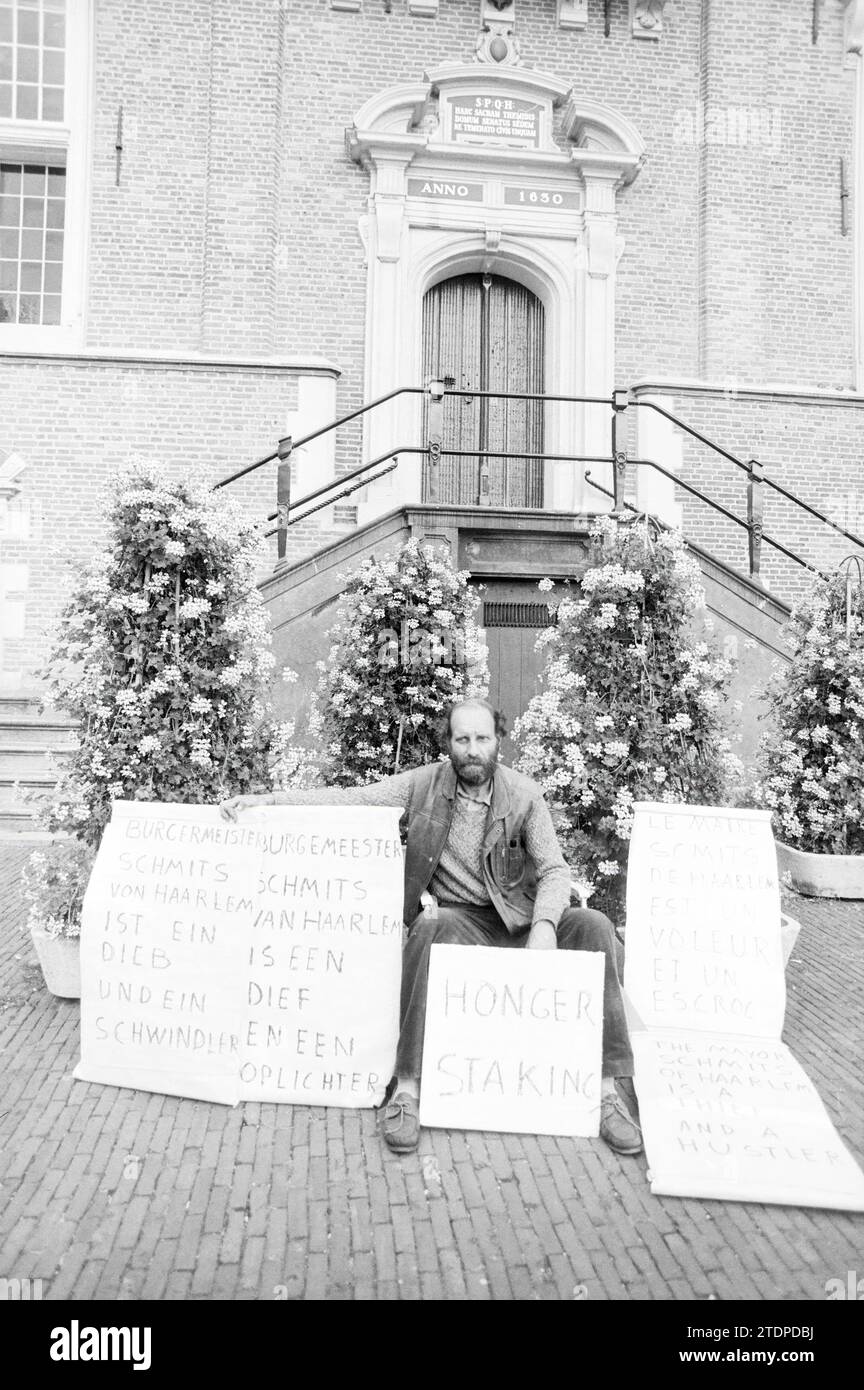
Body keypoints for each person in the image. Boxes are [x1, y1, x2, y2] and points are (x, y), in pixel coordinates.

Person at [220, 698, 642, 1157]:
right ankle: (407, 1090)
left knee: (595, 927)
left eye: (482, 738)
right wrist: (266, 803)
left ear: (497, 742)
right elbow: (352, 799)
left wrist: (543, 925)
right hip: (462, 919)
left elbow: (556, 871)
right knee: (427, 928)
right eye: (463, 739)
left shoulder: (524, 794)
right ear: (450, 744)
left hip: (520, 919)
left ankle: (606, 1092)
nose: (473, 749)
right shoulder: (423, 787)